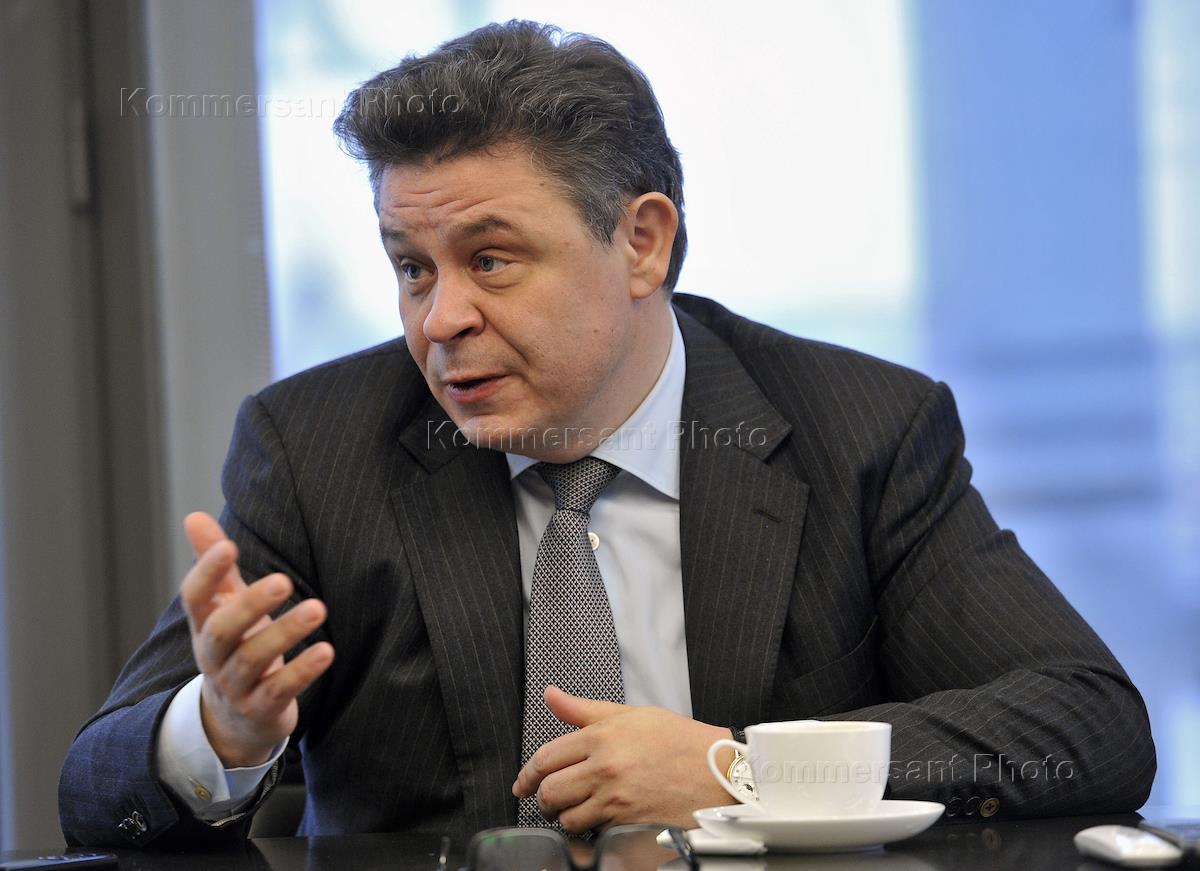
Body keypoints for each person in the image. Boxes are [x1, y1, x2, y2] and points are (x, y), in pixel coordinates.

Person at [58, 20, 1155, 849]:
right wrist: (223, 730)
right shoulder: (316, 446)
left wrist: (742, 772)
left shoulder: (858, 430)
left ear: (642, 244)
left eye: (491, 260)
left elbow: (1088, 726)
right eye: (412, 268)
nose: (440, 320)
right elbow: (92, 788)